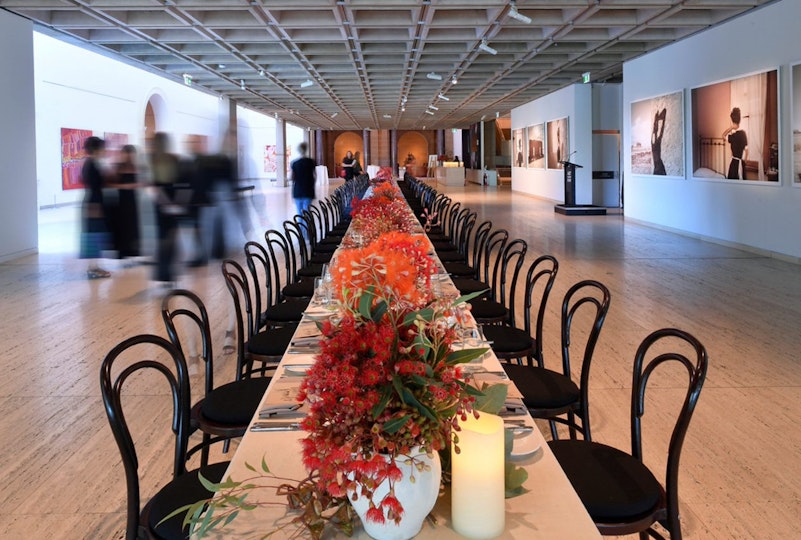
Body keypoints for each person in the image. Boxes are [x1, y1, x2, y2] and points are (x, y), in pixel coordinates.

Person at [149, 132, 185, 284]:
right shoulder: (173, 159)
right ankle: (169, 272)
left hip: (161, 204)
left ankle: (164, 272)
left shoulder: (153, 160)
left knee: (163, 238)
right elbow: (182, 183)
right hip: (171, 202)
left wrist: (165, 202)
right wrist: (176, 202)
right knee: (170, 237)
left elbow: (153, 186)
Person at [79, 136, 112, 279]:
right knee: (93, 236)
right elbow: (94, 186)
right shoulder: (91, 164)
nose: (104, 150)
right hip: (93, 203)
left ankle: (94, 266)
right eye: (102, 148)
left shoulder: (92, 163)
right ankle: (92, 268)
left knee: (96, 235)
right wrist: (95, 207)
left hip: (95, 202)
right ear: (96, 149)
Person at [109, 144, 142, 260]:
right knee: (122, 227)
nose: (129, 157)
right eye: (127, 154)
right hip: (121, 202)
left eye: (131, 154)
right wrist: (126, 186)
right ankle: (122, 251)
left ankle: (133, 251)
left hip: (134, 202)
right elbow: (110, 184)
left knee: (133, 226)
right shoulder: (117, 168)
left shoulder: (137, 167)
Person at [291, 142, 316, 216]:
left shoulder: (294, 163)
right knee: (307, 212)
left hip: (298, 190)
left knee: (299, 213)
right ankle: (307, 227)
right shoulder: (311, 162)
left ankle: (300, 227)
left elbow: (292, 177)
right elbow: (315, 175)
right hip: (308, 189)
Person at [723, 107, 748, 180]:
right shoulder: (743, 133)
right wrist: (744, 163)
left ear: (732, 121)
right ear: (739, 121)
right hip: (741, 163)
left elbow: (723, 135)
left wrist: (731, 128)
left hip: (734, 164)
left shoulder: (733, 136)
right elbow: (746, 151)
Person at [651, 108, 667, 175]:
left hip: (658, 167)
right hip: (658, 167)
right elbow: (658, 132)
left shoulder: (654, 142)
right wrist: (658, 120)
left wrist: (657, 120)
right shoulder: (654, 142)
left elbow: (658, 132)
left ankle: (658, 119)